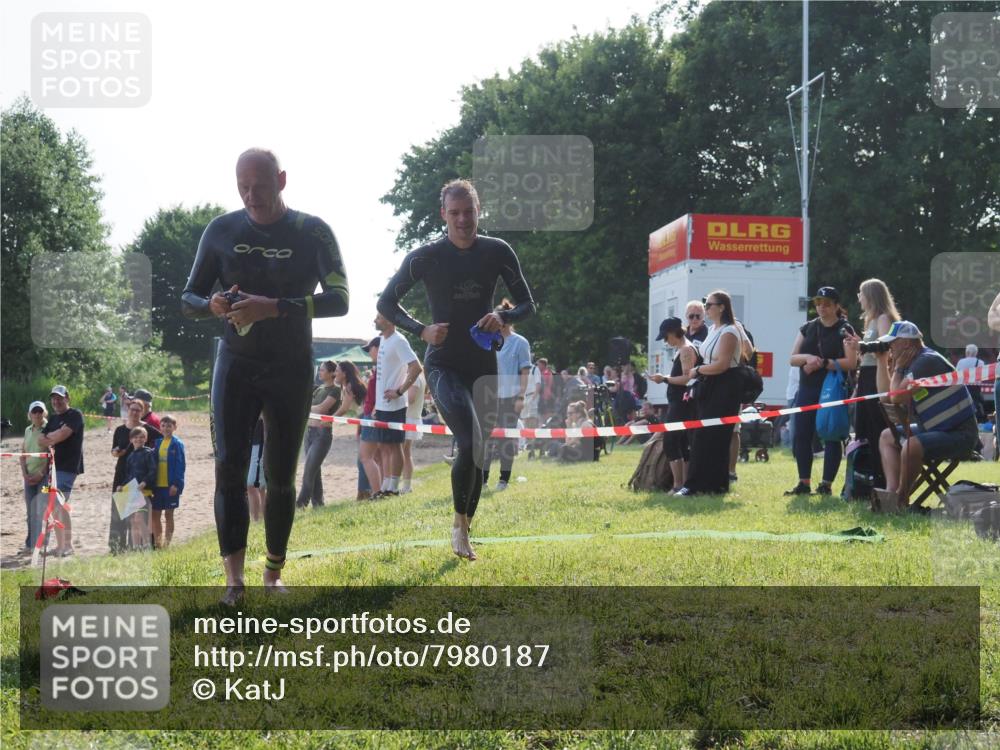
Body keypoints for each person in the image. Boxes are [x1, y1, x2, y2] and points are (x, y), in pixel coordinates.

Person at [181, 148, 349, 602]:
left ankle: (273, 574)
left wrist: (273, 307)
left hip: (291, 365)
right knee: (228, 469)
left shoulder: (312, 231)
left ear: (282, 180)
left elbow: (340, 299)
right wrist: (210, 305)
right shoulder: (221, 230)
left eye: (260, 186)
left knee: (278, 477)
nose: (251, 196)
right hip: (235, 363)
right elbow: (189, 297)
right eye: (243, 187)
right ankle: (233, 581)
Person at [377, 178, 535, 561]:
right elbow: (386, 302)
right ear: (443, 215)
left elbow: (528, 305)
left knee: (481, 451)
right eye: (455, 213)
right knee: (468, 440)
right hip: (443, 362)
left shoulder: (497, 251)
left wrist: (502, 315)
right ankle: (458, 526)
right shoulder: (427, 256)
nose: (463, 220)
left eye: (469, 212)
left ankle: (465, 526)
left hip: (483, 364)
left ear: (479, 211)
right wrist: (422, 330)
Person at [866, 322, 979, 508]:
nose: (890, 347)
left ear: (907, 344)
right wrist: (882, 361)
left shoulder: (926, 361)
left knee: (912, 445)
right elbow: (887, 396)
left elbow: (896, 397)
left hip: (960, 434)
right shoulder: (915, 362)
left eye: (893, 343)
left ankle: (901, 498)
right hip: (936, 428)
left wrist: (898, 368)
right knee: (887, 436)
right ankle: (890, 494)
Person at [675, 291, 752, 496]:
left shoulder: (730, 330)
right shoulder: (713, 329)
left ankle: (697, 485)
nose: (706, 308)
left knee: (712, 436)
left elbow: (723, 364)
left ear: (722, 307)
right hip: (710, 384)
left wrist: (697, 370)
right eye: (705, 304)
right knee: (703, 435)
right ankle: (709, 485)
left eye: (709, 305)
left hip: (725, 386)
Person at [785, 287, 857, 497]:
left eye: (826, 303)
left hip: (832, 389)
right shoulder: (807, 327)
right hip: (807, 389)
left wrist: (823, 363)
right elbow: (792, 358)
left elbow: (851, 362)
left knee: (831, 433)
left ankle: (826, 484)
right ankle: (803, 482)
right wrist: (808, 358)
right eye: (818, 303)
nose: (821, 307)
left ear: (836, 306)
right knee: (801, 435)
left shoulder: (845, 328)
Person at [854, 278, 900, 485]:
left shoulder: (883, 318)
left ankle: (881, 478)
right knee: (864, 426)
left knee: (876, 425)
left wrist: (861, 344)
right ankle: (869, 476)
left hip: (876, 375)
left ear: (871, 296)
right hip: (865, 374)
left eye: (861, 293)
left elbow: (884, 346)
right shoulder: (870, 320)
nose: (858, 297)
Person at [483, 300, 532, 491]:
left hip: (511, 397)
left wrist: (521, 397)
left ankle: (503, 479)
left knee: (506, 439)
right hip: (490, 397)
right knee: (487, 439)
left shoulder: (520, 343)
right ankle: (483, 479)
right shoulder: (488, 340)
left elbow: (525, 372)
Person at [373, 312, 422, 497]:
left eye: (379, 317)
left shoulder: (399, 340)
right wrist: (377, 405)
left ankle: (393, 488)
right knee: (385, 446)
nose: (375, 320)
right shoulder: (384, 340)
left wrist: (400, 391)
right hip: (382, 405)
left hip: (395, 404)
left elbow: (416, 367)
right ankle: (386, 485)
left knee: (396, 446)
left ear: (389, 319)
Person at [649, 317, 697, 491]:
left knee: (671, 441)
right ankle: (683, 484)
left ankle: (678, 485)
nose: (665, 341)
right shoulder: (682, 349)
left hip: (682, 403)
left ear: (672, 333)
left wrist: (664, 379)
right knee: (681, 442)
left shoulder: (685, 350)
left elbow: (687, 378)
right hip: (679, 402)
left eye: (665, 337)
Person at [36, 385, 84, 557]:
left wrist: (52, 437)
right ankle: (60, 546)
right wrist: (53, 436)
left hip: (68, 467)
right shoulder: (55, 419)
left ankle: (68, 546)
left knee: (59, 504)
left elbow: (62, 436)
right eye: (54, 398)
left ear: (67, 398)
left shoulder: (75, 415)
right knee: (54, 507)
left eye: (60, 398)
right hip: (53, 467)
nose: (56, 401)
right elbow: (41, 439)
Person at [111, 400, 162, 552]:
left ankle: (147, 546)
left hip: (143, 482)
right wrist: (115, 452)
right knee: (129, 517)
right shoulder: (120, 430)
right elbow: (113, 449)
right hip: (125, 476)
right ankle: (126, 547)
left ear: (142, 411)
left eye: (138, 410)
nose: (134, 412)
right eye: (132, 409)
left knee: (142, 518)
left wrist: (154, 454)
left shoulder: (147, 431)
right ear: (127, 409)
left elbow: (162, 439)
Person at [297, 361, 341, 508]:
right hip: (309, 433)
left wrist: (304, 407)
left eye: (322, 370)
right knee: (314, 470)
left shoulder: (335, 390)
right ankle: (318, 503)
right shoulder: (319, 388)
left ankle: (301, 503)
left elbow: (322, 409)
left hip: (322, 434)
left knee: (309, 470)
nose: (320, 372)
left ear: (332, 373)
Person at [332, 360, 370, 499]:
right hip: (364, 419)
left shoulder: (349, 386)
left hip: (366, 419)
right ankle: (366, 490)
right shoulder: (349, 385)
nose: (334, 374)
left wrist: (328, 420)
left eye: (336, 371)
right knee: (367, 458)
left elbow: (344, 408)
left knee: (363, 459)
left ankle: (364, 492)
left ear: (344, 373)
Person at [118, 425, 157, 550]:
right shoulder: (130, 456)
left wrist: (144, 483)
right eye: (136, 437)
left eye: (142, 437)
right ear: (131, 439)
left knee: (140, 519)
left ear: (146, 439)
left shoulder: (149, 453)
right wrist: (122, 486)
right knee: (133, 521)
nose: (138, 440)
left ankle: (146, 545)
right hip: (131, 491)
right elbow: (128, 475)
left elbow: (153, 471)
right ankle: (135, 547)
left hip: (144, 491)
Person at [20, 401, 50, 555]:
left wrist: (40, 474)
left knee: (42, 510)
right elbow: (23, 453)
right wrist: (25, 474)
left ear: (44, 413)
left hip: (45, 479)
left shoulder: (49, 428)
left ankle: (42, 545)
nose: (37, 414)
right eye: (34, 411)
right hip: (29, 477)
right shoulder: (27, 430)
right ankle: (30, 544)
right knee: (30, 511)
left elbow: (51, 456)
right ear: (30, 414)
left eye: (40, 411)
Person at [151, 415, 185, 548]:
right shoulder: (158, 442)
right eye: (163, 425)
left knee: (169, 514)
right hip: (157, 486)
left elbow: (180, 465)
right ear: (160, 427)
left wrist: (176, 484)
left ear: (175, 427)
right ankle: (158, 544)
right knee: (155, 514)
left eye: (169, 426)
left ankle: (167, 544)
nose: (166, 428)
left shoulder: (177, 444)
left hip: (170, 486)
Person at [358, 338, 383, 498]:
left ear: (379, 348)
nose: (369, 353)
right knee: (377, 457)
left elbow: (383, 389)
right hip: (371, 414)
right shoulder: (380, 367)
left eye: (370, 349)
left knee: (366, 457)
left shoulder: (382, 367)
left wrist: (374, 408)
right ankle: (381, 491)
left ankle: (377, 492)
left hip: (372, 415)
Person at [401, 371, 427, 494]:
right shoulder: (418, 377)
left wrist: (396, 394)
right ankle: (406, 485)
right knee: (405, 453)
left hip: (408, 417)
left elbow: (410, 398)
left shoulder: (414, 377)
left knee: (402, 452)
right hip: (411, 417)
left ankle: (404, 485)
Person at [956, 344, 987, 422]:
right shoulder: (980, 362)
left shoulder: (961, 362)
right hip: (975, 387)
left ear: (967, 352)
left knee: (964, 403)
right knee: (976, 403)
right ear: (976, 353)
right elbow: (983, 376)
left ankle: (964, 420)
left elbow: (956, 374)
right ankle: (977, 420)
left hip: (963, 386)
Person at [246, 418, 267, 521]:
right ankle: (262, 520)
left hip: (259, 441)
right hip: (251, 441)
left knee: (252, 485)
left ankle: (256, 520)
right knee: (260, 487)